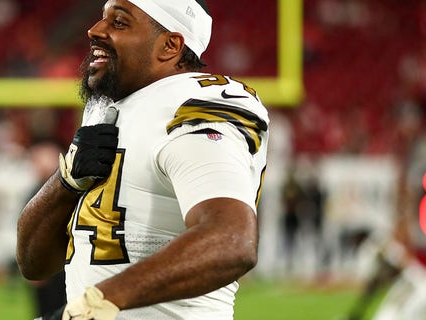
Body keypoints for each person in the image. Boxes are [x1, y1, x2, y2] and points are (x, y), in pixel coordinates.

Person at [16, 0, 269, 319]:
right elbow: (33, 264)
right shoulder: (107, 106)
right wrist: (66, 183)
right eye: (103, 18)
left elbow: (233, 241)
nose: (95, 30)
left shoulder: (189, 108)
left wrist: (100, 300)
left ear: (169, 45)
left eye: (119, 23)